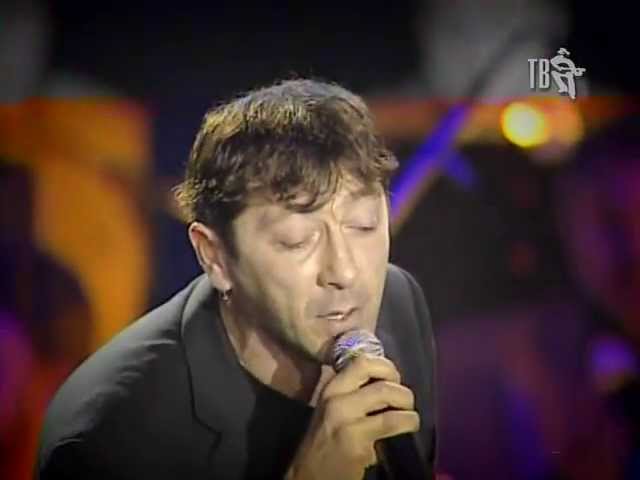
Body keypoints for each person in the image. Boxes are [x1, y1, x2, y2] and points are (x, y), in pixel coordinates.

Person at [35, 79, 438, 480]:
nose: (345, 272)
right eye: (296, 240)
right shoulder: (109, 440)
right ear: (215, 257)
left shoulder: (398, 302)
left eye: (364, 225)